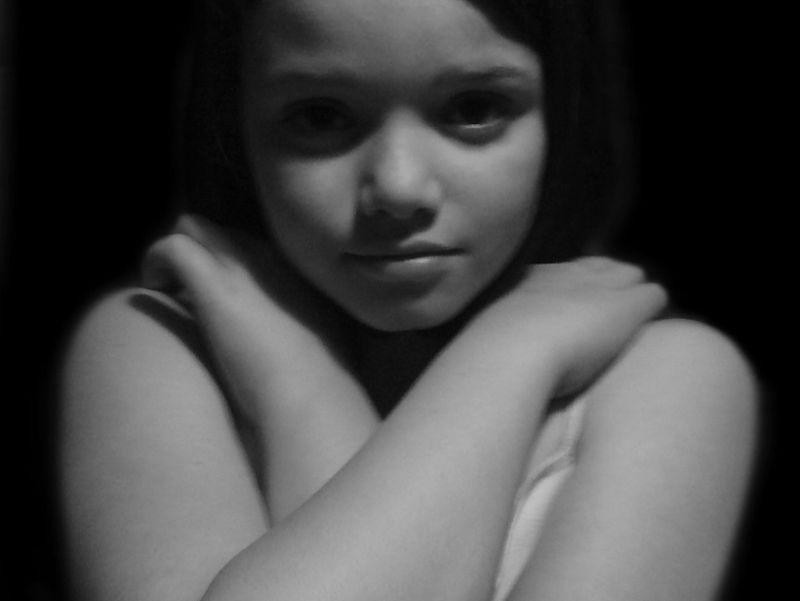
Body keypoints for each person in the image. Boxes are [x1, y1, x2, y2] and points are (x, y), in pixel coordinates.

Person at [56, 0, 758, 600]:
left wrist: (502, 353)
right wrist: (308, 380)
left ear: (562, 115)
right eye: (321, 116)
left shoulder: (666, 378)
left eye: (474, 109)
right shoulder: (158, 345)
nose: (397, 187)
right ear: (235, 125)